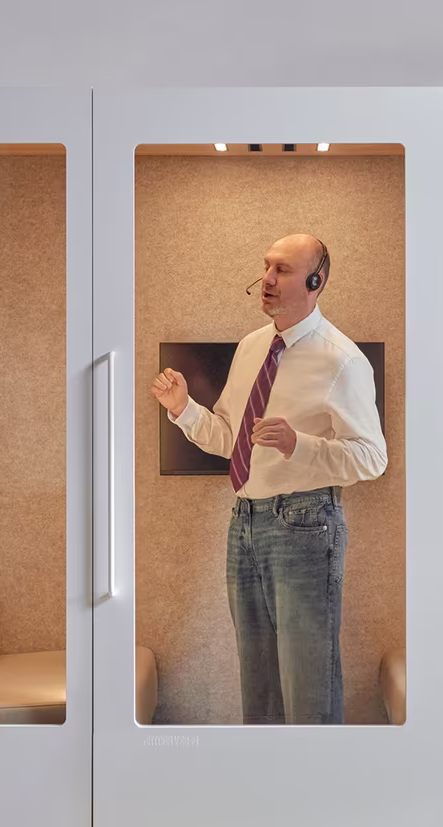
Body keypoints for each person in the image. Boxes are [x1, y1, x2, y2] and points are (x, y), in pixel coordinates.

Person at [150, 234, 386, 724]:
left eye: (282, 270)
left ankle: (316, 797)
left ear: (316, 281)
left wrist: (299, 444)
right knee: (257, 686)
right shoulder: (251, 347)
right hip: (244, 525)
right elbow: (230, 440)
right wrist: (183, 410)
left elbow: (372, 458)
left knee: (309, 687)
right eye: (265, 268)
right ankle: (266, 793)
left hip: (305, 526)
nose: (268, 280)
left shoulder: (341, 359)